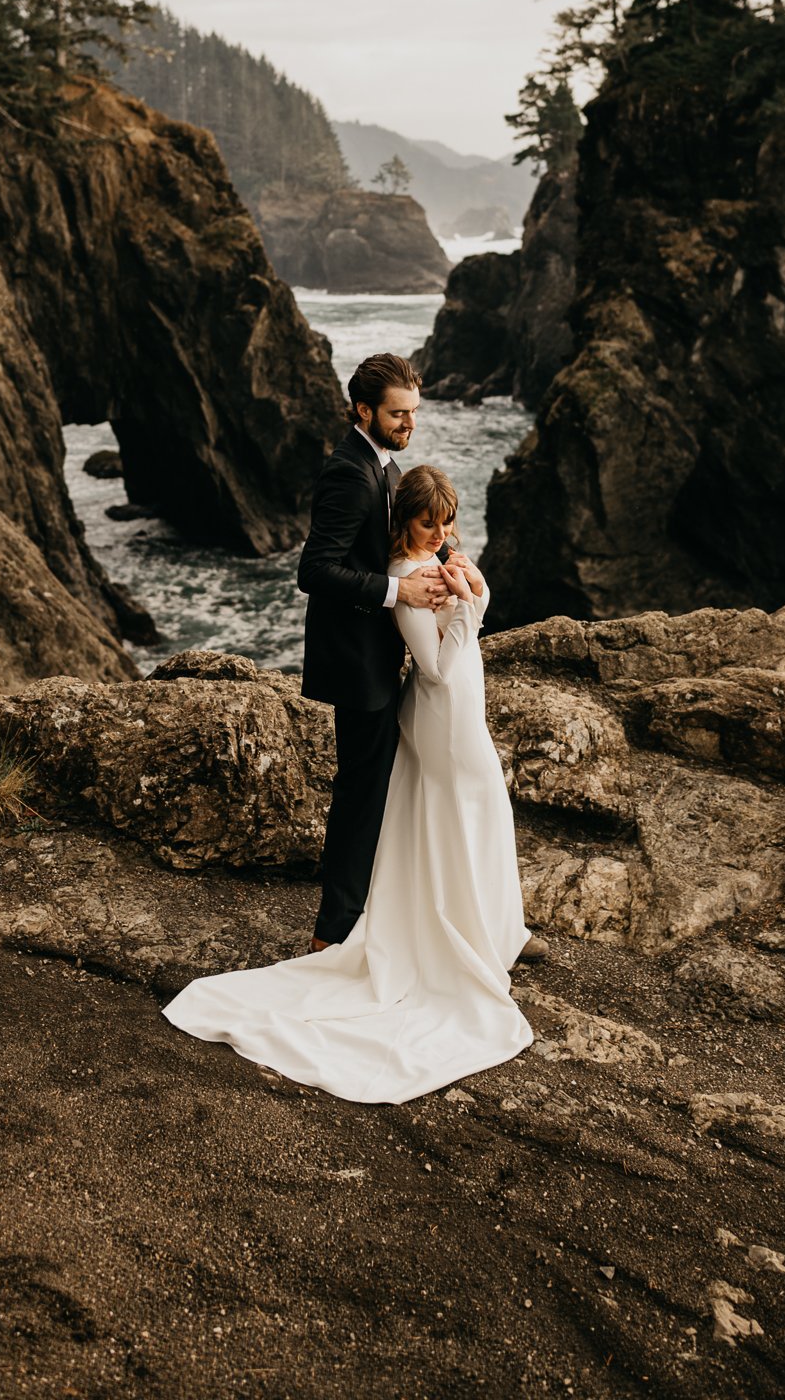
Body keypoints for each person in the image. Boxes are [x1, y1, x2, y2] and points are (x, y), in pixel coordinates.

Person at [161, 463, 534, 1102]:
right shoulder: (401, 578)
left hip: (461, 708)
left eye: (448, 521)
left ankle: (490, 932)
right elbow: (438, 668)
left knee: (474, 813)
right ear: (403, 521)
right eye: (428, 521)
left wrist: (471, 582)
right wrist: (463, 605)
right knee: (463, 812)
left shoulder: (439, 560)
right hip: (444, 713)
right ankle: (461, 939)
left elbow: (473, 613)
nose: (440, 531)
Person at [296, 352, 446, 952]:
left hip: (377, 658)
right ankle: (333, 934)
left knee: (375, 789)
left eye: (414, 412)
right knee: (361, 796)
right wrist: (397, 591)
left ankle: (358, 918)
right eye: (398, 414)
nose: (410, 424)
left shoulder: (382, 463)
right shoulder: (351, 473)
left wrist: (431, 565)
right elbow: (315, 570)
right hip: (357, 666)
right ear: (364, 411)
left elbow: (384, 545)